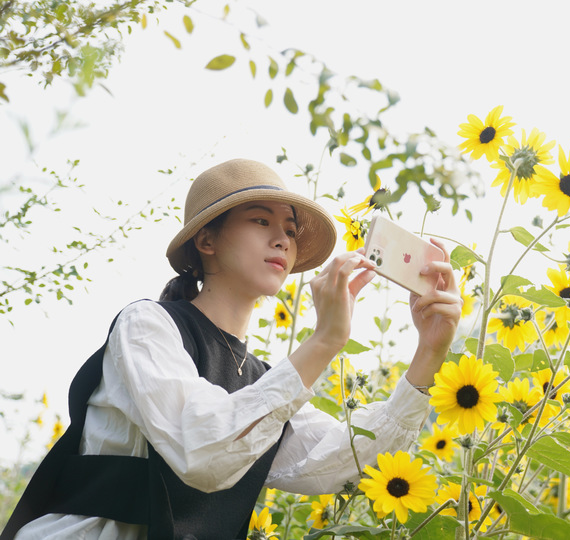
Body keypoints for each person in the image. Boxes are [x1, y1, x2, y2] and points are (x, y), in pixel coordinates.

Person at [2, 159, 462, 540]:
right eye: (261, 220)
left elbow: (342, 462)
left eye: (290, 228)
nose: (283, 238)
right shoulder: (147, 326)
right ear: (206, 241)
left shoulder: (263, 382)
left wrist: (429, 354)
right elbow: (201, 449)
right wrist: (325, 340)